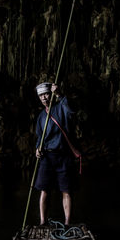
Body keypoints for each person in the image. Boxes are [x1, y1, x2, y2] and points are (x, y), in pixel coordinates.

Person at [34, 81, 78, 226]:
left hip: (63, 156)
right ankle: (42, 221)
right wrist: (37, 148)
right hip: (47, 157)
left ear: (51, 94)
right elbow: (40, 136)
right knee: (44, 190)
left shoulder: (61, 108)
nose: (44, 98)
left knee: (66, 190)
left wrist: (60, 95)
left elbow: (72, 111)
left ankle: (67, 222)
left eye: (46, 94)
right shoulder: (41, 116)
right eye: (41, 96)